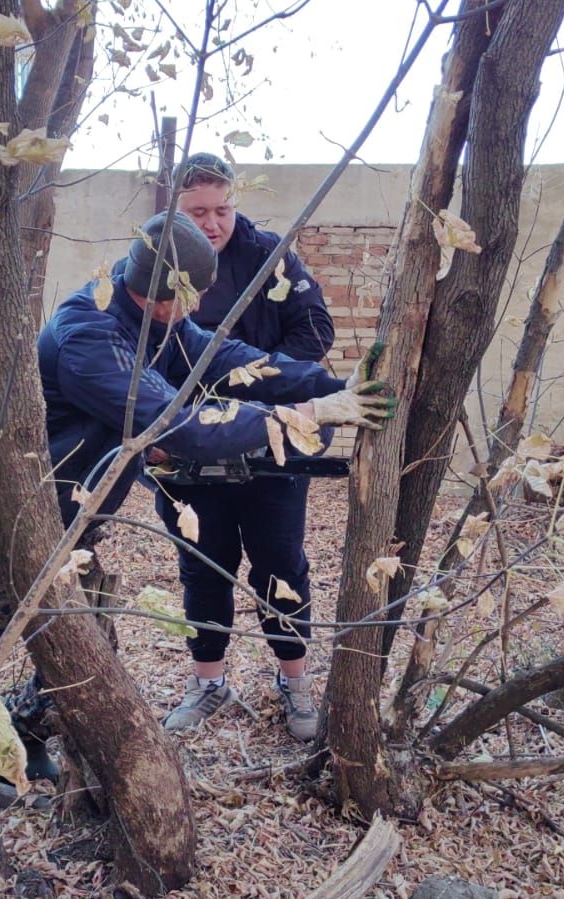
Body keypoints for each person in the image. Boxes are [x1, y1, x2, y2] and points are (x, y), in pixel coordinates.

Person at [0, 211, 391, 824]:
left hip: (70, 525)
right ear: (162, 288)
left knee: (86, 651)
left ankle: (25, 739)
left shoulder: (157, 319)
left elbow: (230, 360)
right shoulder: (89, 333)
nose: (197, 310)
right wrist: (309, 416)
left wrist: (325, 385)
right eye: (190, 297)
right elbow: (176, 424)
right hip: (2, 520)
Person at [151, 152, 337, 741]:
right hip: (190, 447)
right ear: (175, 211)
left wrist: (258, 379)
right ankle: (209, 683)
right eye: (197, 211)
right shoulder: (157, 264)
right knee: (203, 566)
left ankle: (296, 682)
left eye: (221, 209)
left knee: (280, 563)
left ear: (236, 203)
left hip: (275, 443)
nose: (211, 223)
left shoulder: (269, 255)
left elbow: (317, 331)